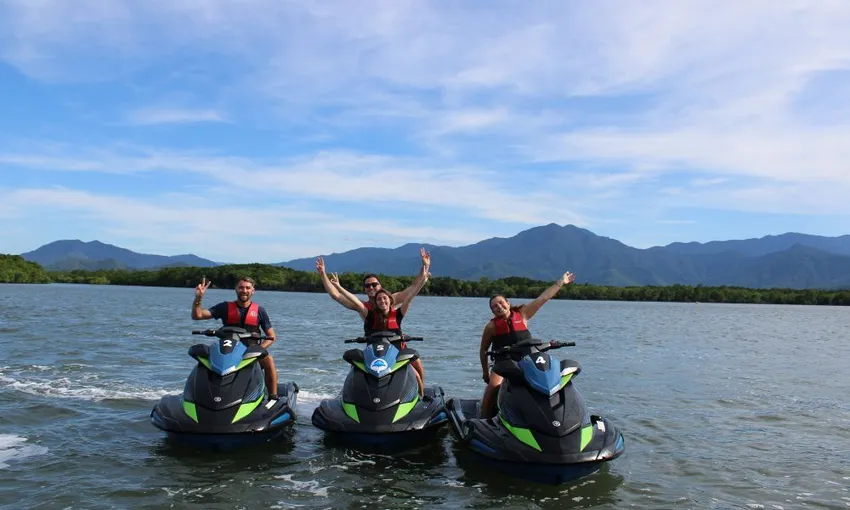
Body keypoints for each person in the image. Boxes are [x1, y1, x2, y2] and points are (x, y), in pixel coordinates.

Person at [479, 271, 576, 419]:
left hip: (527, 362)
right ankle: (483, 419)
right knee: (493, 387)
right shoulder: (491, 327)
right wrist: (486, 372)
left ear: (508, 303)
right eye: (494, 306)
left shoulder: (523, 314)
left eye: (501, 303)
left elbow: (543, 298)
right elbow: (483, 349)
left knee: (550, 382)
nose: (498, 307)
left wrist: (561, 282)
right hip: (503, 364)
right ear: (492, 311)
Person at [328, 274, 429, 397]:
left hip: (396, 351)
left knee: (416, 373)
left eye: (385, 299)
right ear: (375, 302)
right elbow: (353, 299)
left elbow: (410, 296)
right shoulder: (369, 315)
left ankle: (421, 397)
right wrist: (338, 286)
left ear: (390, 300)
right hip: (376, 352)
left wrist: (422, 281)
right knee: (358, 367)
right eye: (379, 299)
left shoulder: (397, 314)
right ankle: (353, 394)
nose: (382, 301)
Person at [191, 276, 281, 399]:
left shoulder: (259, 311)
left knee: (268, 360)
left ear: (253, 290)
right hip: (227, 350)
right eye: (241, 287)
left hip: (251, 352)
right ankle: (200, 395)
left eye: (248, 288)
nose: (244, 290)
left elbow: (272, 336)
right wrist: (198, 297)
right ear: (236, 289)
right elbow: (198, 315)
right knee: (203, 361)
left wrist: (259, 350)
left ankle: (273, 397)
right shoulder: (224, 307)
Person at [316, 247, 431, 312]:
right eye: (367, 286)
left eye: (374, 284)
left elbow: (413, 288)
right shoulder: (362, 307)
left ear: (380, 286)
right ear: (364, 290)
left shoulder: (392, 300)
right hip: (374, 346)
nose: (371, 287)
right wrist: (322, 274)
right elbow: (336, 295)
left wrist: (425, 266)